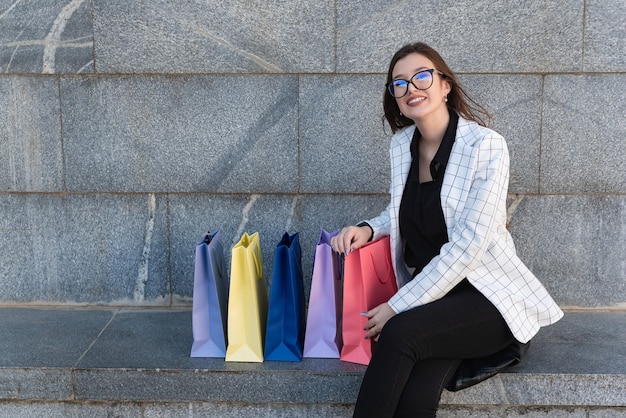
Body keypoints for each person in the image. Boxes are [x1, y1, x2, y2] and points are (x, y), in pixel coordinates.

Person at [330, 42, 564, 417]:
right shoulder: (401, 145)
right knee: (417, 391)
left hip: (487, 296)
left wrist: (396, 306)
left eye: (422, 76)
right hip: (437, 298)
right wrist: (368, 230)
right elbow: (404, 209)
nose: (411, 88)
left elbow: (469, 245)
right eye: (400, 83)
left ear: (445, 85)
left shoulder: (485, 145)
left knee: (399, 334)